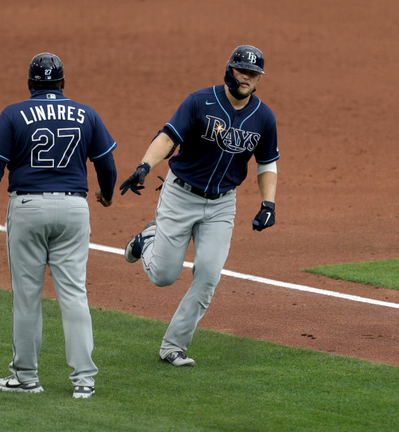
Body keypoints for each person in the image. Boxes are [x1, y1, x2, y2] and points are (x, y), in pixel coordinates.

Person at [0, 52, 117, 398]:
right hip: (74, 209)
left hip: (28, 208)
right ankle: (84, 381)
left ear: (30, 84)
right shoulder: (86, 113)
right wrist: (106, 194)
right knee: (74, 294)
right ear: (63, 83)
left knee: (27, 298)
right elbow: (106, 163)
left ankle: (26, 377)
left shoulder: (13, 114)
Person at [119, 45, 279, 367]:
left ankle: (173, 346)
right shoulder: (199, 102)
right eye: (241, 71)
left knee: (208, 276)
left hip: (222, 205)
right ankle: (146, 240)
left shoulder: (263, 117)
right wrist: (144, 166)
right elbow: (168, 136)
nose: (246, 78)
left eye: (253, 74)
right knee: (164, 276)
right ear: (229, 70)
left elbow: (267, 164)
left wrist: (269, 203)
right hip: (181, 196)